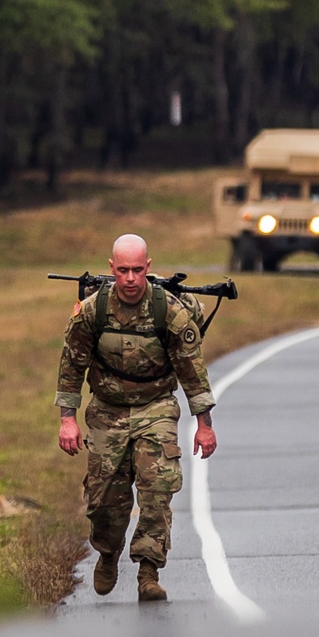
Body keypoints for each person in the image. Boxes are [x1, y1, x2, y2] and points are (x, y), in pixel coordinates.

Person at [55, 233, 217, 602]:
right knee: (103, 499)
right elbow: (71, 365)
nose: (130, 278)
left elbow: (193, 371)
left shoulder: (169, 312)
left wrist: (204, 425)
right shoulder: (94, 311)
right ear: (112, 269)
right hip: (106, 408)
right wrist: (67, 419)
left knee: (157, 490)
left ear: (148, 267)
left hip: (155, 406)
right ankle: (108, 551)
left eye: (137, 270)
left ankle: (148, 571)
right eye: (123, 270)